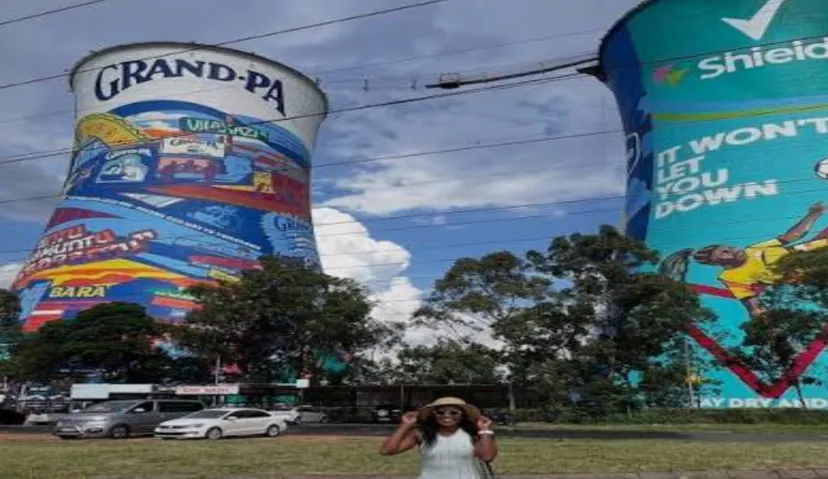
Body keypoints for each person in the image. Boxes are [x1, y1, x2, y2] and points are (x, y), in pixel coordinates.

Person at [692, 202, 828, 318]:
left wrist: (812, 215)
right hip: (816, 270)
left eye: (730, 247)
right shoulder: (731, 277)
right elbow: (751, 303)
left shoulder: (753, 249)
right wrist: (760, 317)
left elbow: (791, 236)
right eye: (724, 253)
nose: (733, 250)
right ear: (717, 263)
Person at [379, 397, 497, 479]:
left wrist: (484, 430)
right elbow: (386, 450)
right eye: (440, 412)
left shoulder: (473, 434)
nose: (447, 415)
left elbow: (487, 457)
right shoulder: (421, 433)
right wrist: (405, 425)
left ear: (462, 416)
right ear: (433, 415)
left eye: (454, 412)